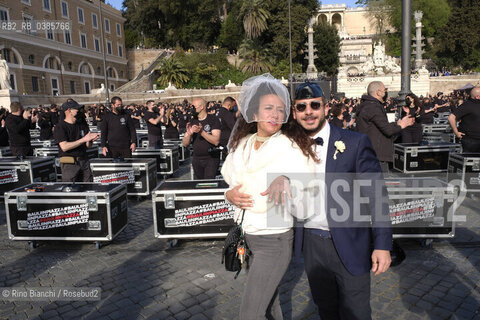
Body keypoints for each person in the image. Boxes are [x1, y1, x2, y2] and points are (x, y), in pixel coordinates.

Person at [290, 82, 392, 320]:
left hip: (351, 240)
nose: (309, 111)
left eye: (315, 105)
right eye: (302, 107)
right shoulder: (289, 145)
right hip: (311, 242)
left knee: (356, 312)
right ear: (295, 113)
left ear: (325, 108)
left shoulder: (354, 142)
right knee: (326, 310)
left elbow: (376, 194)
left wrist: (382, 244)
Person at [221, 74, 318, 320]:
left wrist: (287, 179)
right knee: (268, 305)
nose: (274, 115)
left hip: (274, 239)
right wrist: (228, 194)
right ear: (254, 114)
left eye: (280, 110)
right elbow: (229, 179)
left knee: (249, 312)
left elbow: (311, 181)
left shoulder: (290, 145)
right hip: (247, 235)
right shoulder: (242, 144)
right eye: (268, 108)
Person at [355, 81, 415, 174]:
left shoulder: (366, 105)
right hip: (376, 155)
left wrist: (397, 124)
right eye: (384, 90)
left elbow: (379, 127)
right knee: (378, 186)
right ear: (378, 92)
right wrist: (401, 125)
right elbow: (387, 130)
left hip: (369, 153)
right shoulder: (373, 107)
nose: (385, 93)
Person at [54, 100, 100, 182]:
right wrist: (83, 139)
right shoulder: (60, 127)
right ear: (69, 111)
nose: (79, 111)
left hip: (84, 161)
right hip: (70, 164)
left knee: (88, 187)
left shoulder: (81, 125)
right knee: (71, 190)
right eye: (76, 109)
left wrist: (90, 140)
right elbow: (64, 147)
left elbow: (88, 146)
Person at [182, 98, 221, 179]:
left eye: (194, 106)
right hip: (197, 159)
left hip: (211, 158)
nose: (192, 109)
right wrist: (189, 134)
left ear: (202, 107)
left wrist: (201, 132)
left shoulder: (213, 119)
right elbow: (185, 143)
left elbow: (216, 141)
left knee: (208, 184)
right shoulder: (193, 121)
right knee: (199, 185)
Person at [448, 86, 480, 152]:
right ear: (477, 96)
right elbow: (451, 117)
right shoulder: (467, 105)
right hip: (471, 140)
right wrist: (456, 132)